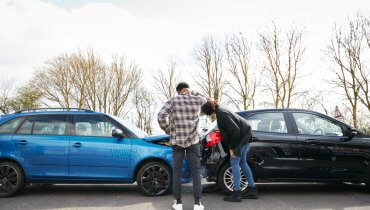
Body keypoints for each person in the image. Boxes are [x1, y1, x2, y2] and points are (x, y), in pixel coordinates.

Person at [157, 82, 207, 210]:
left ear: (178, 91)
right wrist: (194, 91)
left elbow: (161, 115)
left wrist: (168, 130)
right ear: (187, 90)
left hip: (177, 141)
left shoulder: (173, 100)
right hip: (193, 141)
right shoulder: (197, 100)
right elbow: (205, 98)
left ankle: (178, 203)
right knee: (196, 172)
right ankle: (197, 204)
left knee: (177, 172)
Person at [201, 99, 258, 202]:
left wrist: (232, 148)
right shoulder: (221, 109)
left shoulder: (221, 113)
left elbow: (235, 130)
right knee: (243, 163)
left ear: (209, 110)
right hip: (245, 134)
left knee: (234, 162)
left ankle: (237, 193)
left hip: (241, 136)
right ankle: (252, 190)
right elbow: (230, 127)